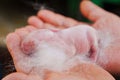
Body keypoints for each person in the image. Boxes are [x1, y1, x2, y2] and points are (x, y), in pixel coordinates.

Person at [2, 0, 120, 80]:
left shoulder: (65, 43)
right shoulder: (54, 38)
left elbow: (71, 51)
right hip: (81, 31)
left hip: (88, 33)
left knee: (93, 49)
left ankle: (93, 54)